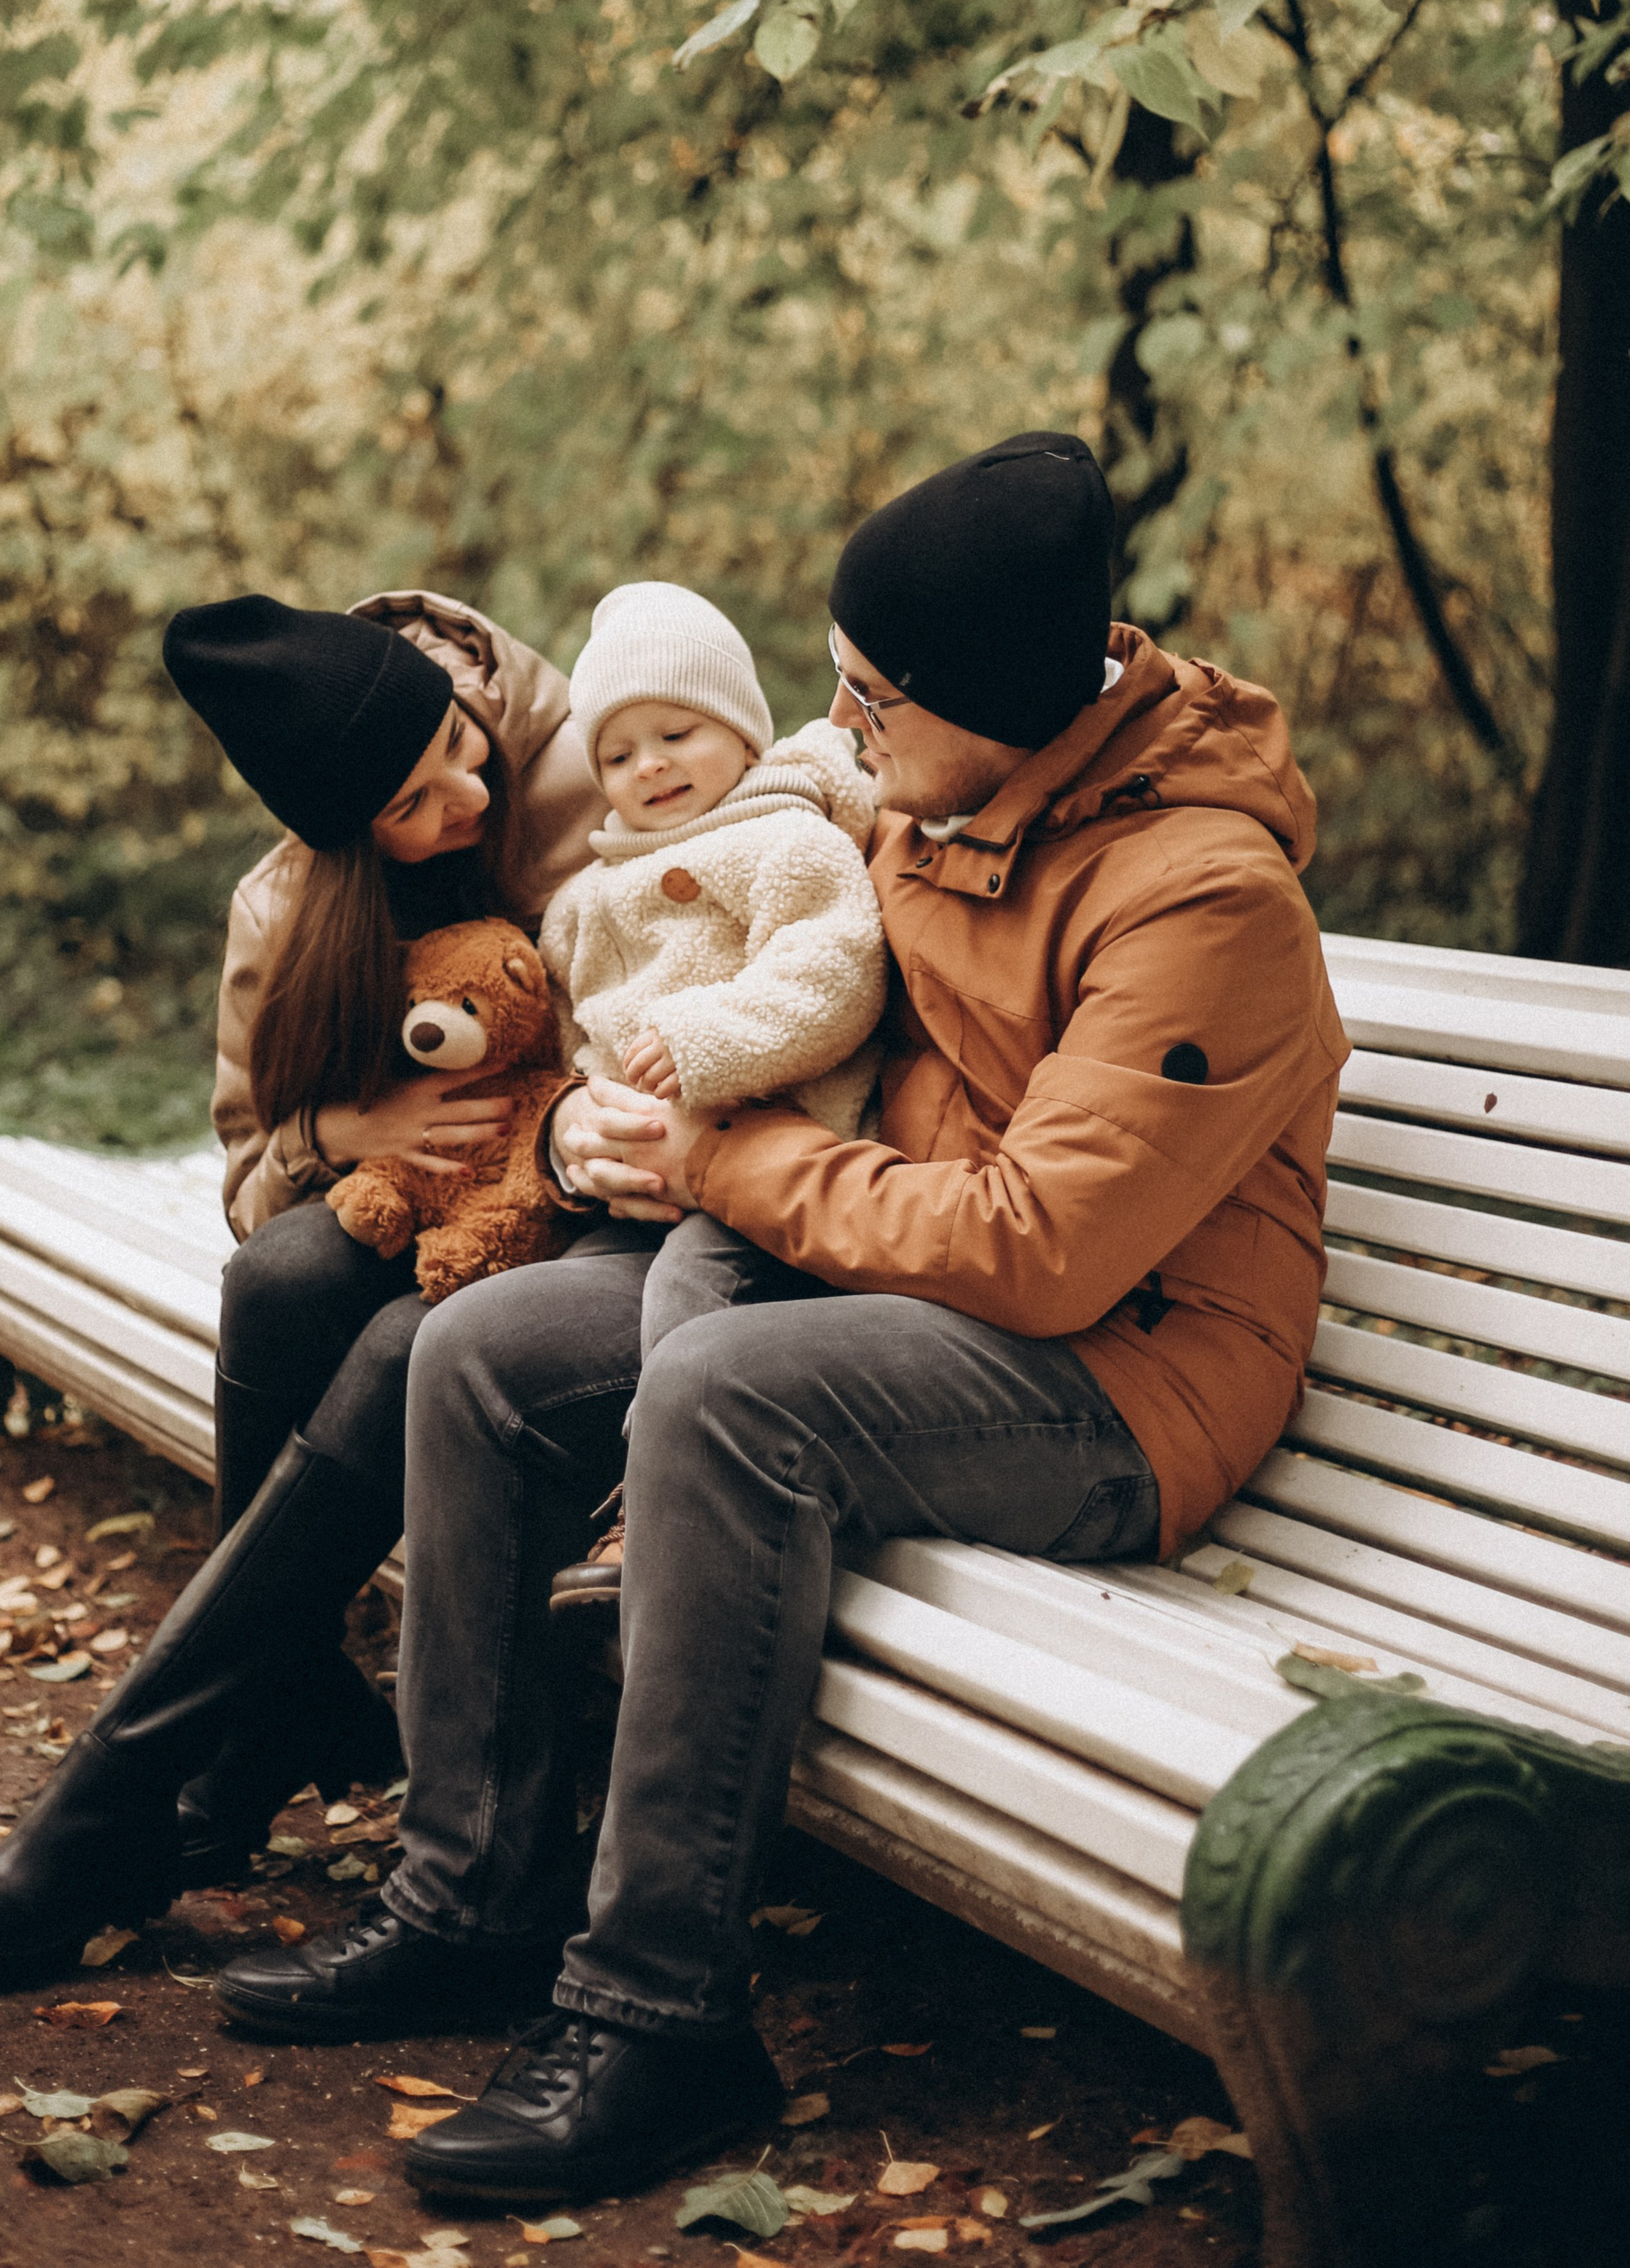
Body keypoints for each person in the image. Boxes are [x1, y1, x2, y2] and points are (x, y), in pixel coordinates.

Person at [203, 432, 1349, 2205]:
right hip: (895, 1281)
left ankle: (659, 2014)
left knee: (729, 1396)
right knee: (478, 1354)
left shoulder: (1199, 897)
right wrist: (600, 1112)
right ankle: (469, 1898)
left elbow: (1044, 1249)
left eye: (868, 698)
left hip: (1125, 1374)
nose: (838, 724)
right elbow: (750, 918)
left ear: (990, 709)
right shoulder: (933, 793)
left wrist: (722, 1157)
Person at [0, 586, 610, 1979]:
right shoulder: (292, 904)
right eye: (412, 805)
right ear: (341, 837)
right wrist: (340, 1132)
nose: (466, 797)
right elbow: (248, 1171)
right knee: (280, 1279)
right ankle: (270, 1697)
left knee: (410, 1338)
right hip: (426, 1209)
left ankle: (132, 1792)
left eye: (459, 751)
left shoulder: (590, 766)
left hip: (586, 1214)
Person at [538, 582, 887, 1606]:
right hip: (640, 1184)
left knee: (695, 1293)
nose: (648, 766)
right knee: (519, 1305)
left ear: (741, 732)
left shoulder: (789, 842)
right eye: (617, 754)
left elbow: (835, 978)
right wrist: (585, 1111)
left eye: (676, 734)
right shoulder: (591, 894)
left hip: (770, 1167)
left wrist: (704, 1041)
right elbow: (574, 1028)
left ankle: (655, 1509)